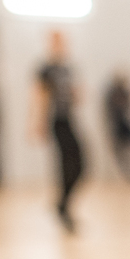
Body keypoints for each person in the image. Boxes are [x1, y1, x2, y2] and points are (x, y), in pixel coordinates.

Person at [31, 31, 85, 232]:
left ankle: (62, 203)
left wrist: (76, 94)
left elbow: (75, 97)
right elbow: (39, 96)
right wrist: (38, 123)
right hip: (56, 121)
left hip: (69, 120)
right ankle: (64, 210)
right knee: (65, 166)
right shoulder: (45, 69)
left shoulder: (68, 69)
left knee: (81, 165)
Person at [104, 70, 130, 182]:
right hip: (117, 126)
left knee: (127, 152)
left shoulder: (125, 93)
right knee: (120, 153)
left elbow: (129, 109)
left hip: (124, 126)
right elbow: (110, 111)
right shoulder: (112, 94)